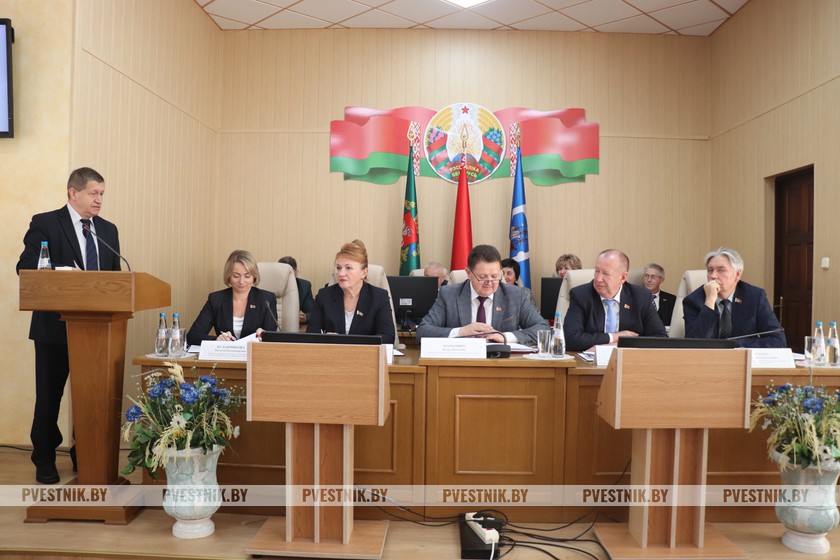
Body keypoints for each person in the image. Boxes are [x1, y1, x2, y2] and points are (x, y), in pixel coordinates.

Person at [16, 167, 121, 484]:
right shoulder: (46, 223)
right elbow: (26, 267)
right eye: (93, 193)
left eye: (102, 194)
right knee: (49, 397)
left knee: (91, 397)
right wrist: (64, 274)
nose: (99, 199)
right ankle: (44, 458)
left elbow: (117, 280)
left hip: (98, 330)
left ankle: (84, 453)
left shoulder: (108, 230)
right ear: (73, 193)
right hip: (54, 328)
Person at [417, 245, 548, 344]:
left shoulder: (515, 295)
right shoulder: (448, 295)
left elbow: (543, 328)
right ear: (468, 273)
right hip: (461, 363)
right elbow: (423, 331)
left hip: (501, 364)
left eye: (495, 276)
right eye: (483, 277)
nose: (489, 283)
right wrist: (460, 332)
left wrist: (505, 336)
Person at [564, 249, 666, 352]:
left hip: (628, 359)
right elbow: (569, 339)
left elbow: (660, 339)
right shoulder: (581, 295)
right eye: (597, 271)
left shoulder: (641, 297)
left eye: (606, 273)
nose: (598, 279)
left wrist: (614, 346)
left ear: (623, 277)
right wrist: (614, 337)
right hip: (589, 360)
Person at [683, 247, 786, 348]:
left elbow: (778, 340)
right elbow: (693, 344)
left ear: (737, 275)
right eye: (710, 270)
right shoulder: (694, 300)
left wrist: (732, 345)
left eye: (721, 270)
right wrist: (709, 302)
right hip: (708, 358)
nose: (713, 276)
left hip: (743, 357)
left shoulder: (754, 296)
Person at [307, 240, 396, 344]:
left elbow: (387, 337)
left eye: (348, 268)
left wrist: (350, 343)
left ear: (364, 273)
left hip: (365, 354)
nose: (341, 273)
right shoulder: (324, 296)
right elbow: (311, 334)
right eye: (338, 268)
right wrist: (326, 338)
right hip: (332, 353)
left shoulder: (379, 297)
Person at [187, 250, 278, 346]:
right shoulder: (216, 300)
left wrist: (264, 335)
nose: (241, 281)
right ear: (229, 276)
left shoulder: (266, 299)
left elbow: (273, 337)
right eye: (236, 276)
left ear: (254, 277)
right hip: (226, 354)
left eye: (247, 276)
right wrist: (216, 340)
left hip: (255, 353)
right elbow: (192, 336)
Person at [278, 256, 315, 324]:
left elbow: (312, 312)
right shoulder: (270, 285)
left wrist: (305, 317)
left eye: (290, 273)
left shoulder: (304, 286)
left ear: (296, 272)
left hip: (295, 326)